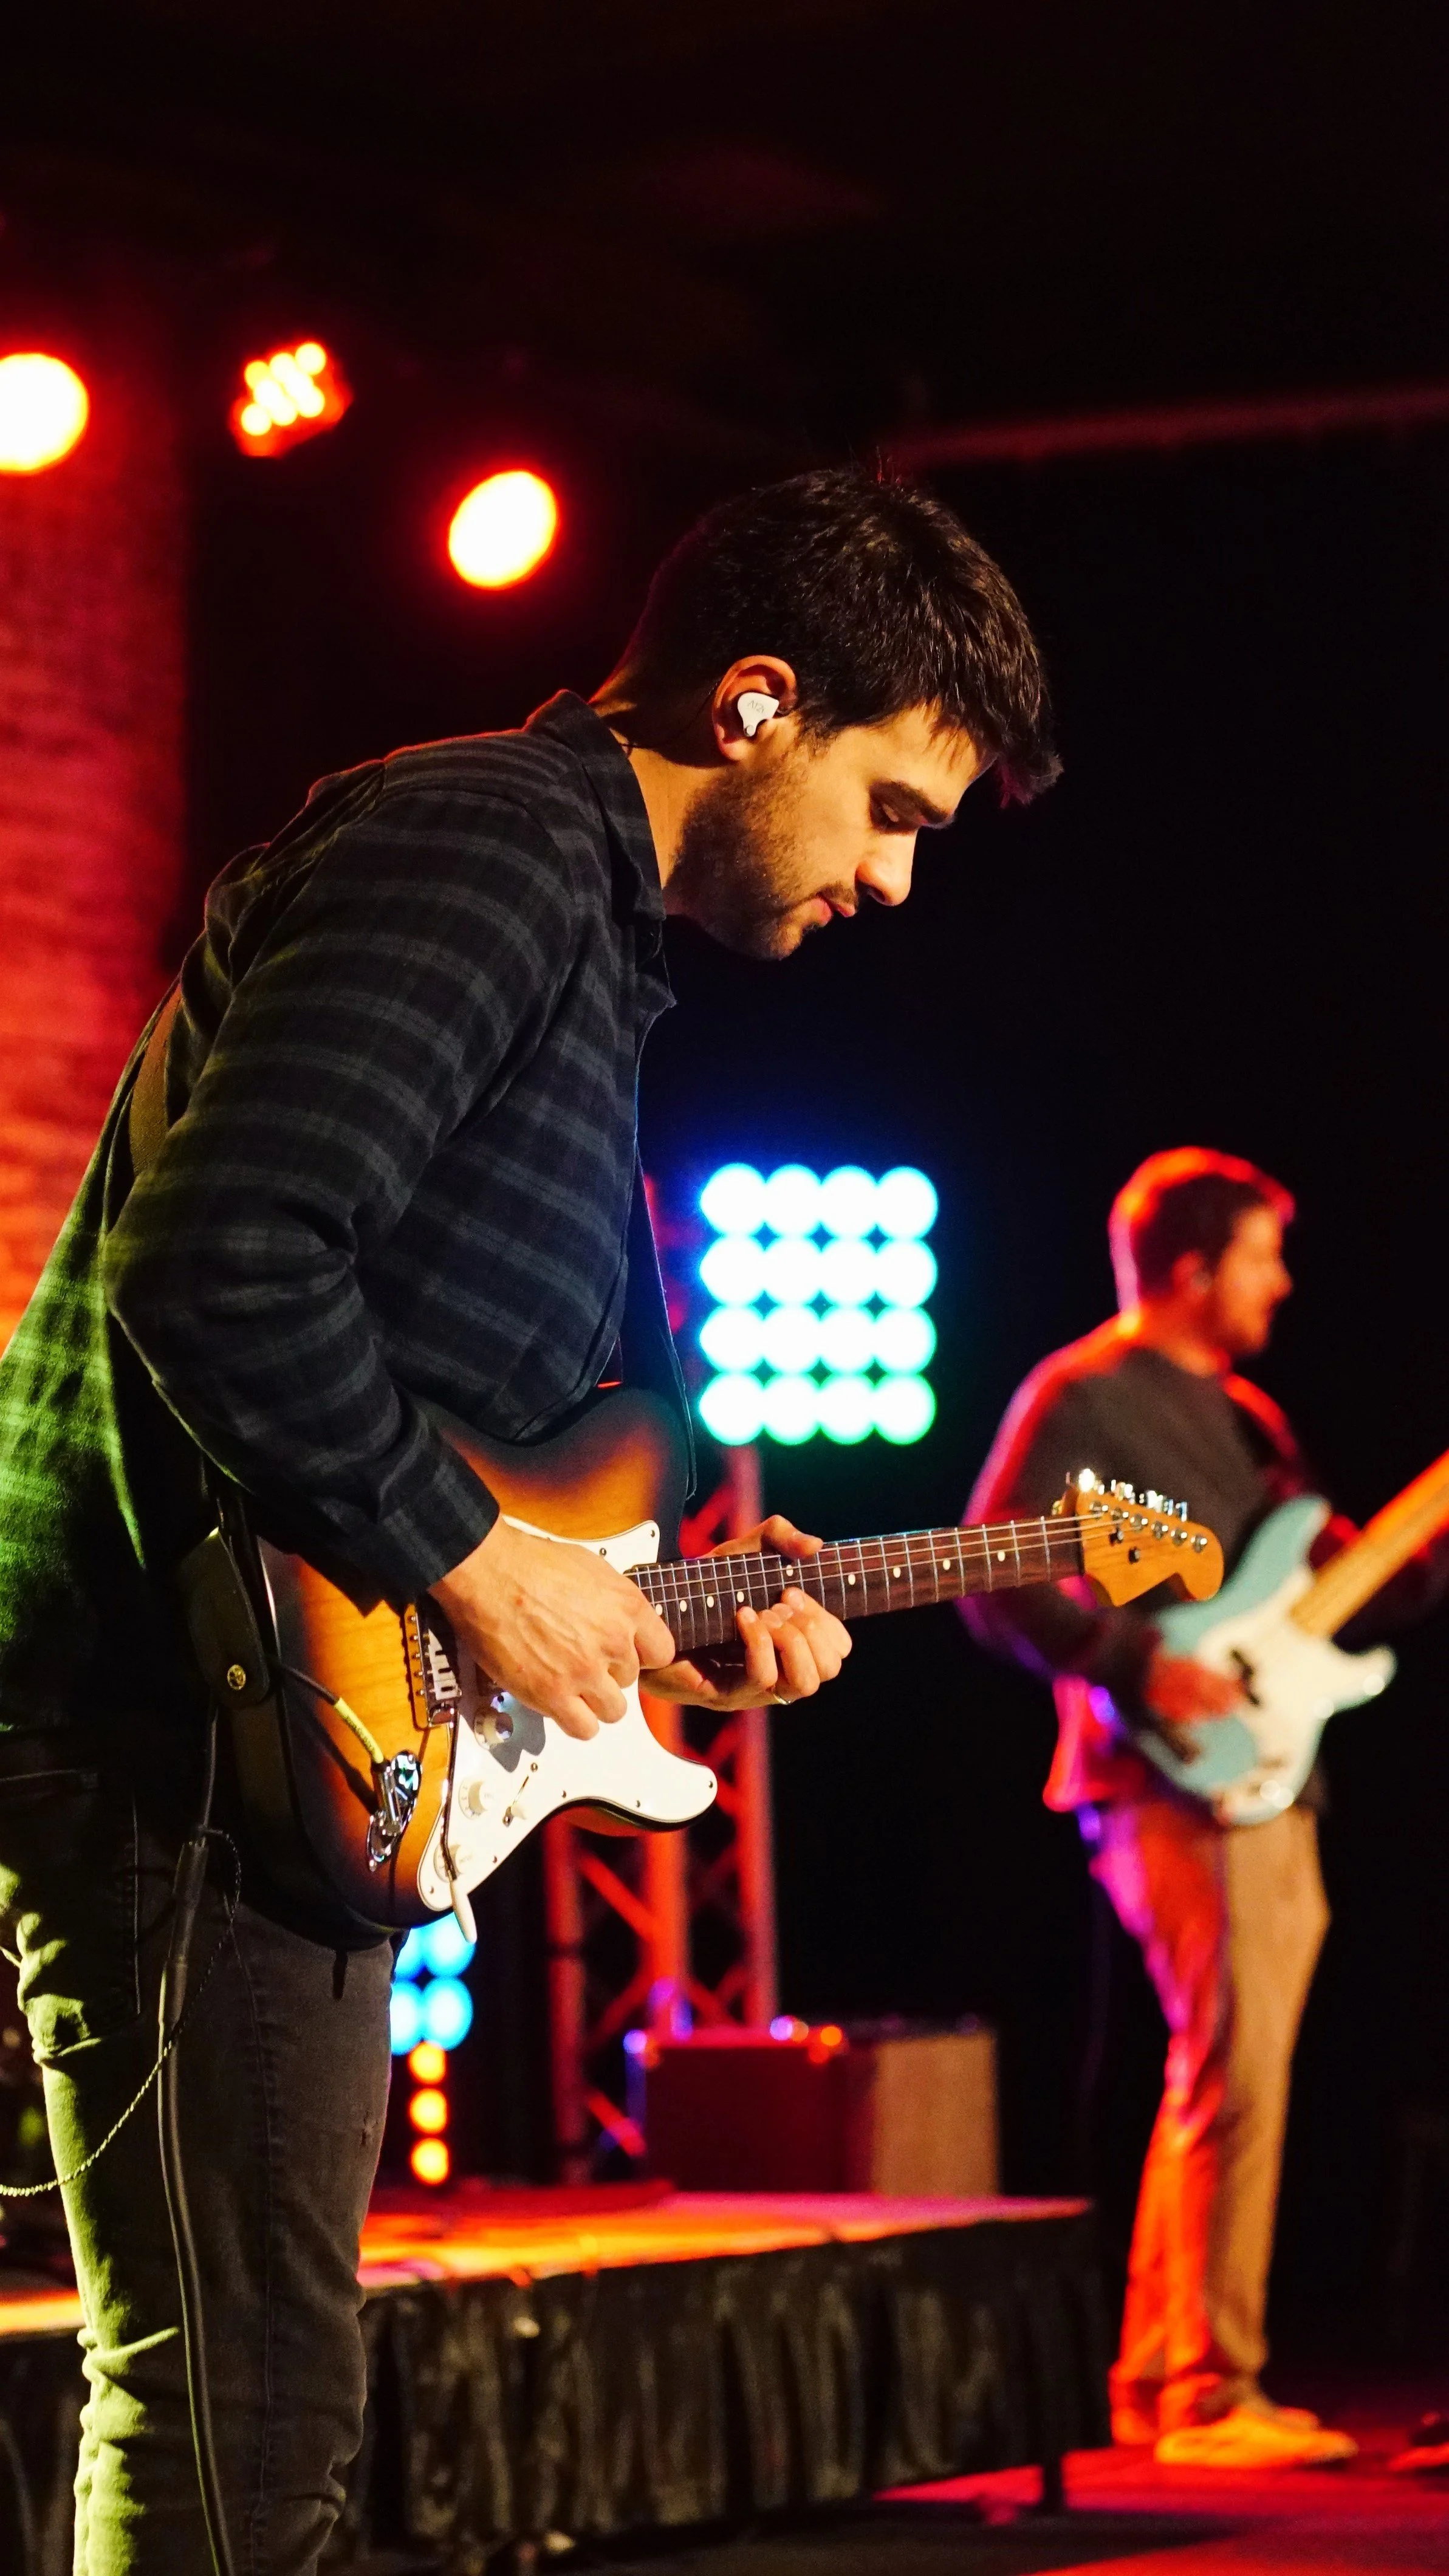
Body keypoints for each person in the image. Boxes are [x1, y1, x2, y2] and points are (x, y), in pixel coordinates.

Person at [0, 467, 1057, 2572]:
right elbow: (221, 1261)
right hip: (179, 1754)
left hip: (265, 1751)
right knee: (237, 2434)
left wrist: (660, 1622)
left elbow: (486, 1443)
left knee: (240, 2412)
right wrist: (476, 1566)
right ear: (756, 703)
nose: (893, 888)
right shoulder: (479, 846)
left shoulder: (583, 932)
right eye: (892, 813)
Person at [962, 1147, 1447, 2470]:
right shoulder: (1086, 1395)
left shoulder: (1251, 1419)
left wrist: (1412, 1559)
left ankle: (1161, 2376)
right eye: (1260, 1256)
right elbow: (996, 1575)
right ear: (1190, 1267)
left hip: (1267, 1771)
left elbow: (1341, 1598)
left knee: (1225, 2076)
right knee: (1233, 2078)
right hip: (1171, 1773)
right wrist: (1136, 1661)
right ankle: (1204, 2387)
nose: (1281, 1284)